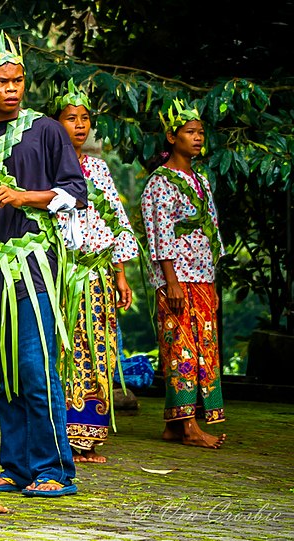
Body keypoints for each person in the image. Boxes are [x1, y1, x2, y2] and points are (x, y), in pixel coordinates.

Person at [0, 32, 86, 497]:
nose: (11, 89)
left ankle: (55, 468)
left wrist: (24, 197)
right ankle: (15, 466)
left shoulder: (47, 130)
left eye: (17, 81)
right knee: (4, 369)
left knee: (34, 366)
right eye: (1, 82)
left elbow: (75, 192)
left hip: (35, 266)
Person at [52, 80, 139, 463]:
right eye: (71, 118)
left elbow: (115, 220)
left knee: (99, 350)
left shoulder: (98, 168)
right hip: (62, 276)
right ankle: (64, 434)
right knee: (66, 351)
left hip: (99, 275)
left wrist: (120, 274)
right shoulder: (45, 166)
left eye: (85, 118)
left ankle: (89, 434)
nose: (80, 125)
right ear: (55, 124)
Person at [141, 99, 226, 449]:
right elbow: (158, 232)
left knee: (204, 349)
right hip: (177, 279)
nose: (197, 138)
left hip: (202, 277)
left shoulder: (202, 180)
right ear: (172, 137)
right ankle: (188, 427)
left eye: (200, 133)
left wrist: (213, 282)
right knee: (181, 350)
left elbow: (212, 229)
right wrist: (171, 282)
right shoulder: (160, 183)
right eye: (190, 132)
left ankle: (175, 425)